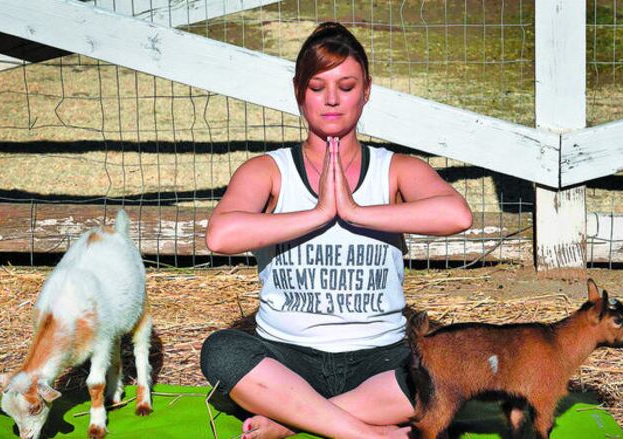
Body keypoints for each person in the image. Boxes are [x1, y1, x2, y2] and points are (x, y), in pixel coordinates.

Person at [200, 22, 472, 439]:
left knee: (451, 368)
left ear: (366, 91)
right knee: (221, 351)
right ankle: (369, 433)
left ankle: (292, 420)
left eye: (346, 86)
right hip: (287, 358)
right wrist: (320, 212)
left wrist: (356, 211)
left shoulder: (394, 169)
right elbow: (220, 236)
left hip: (378, 360)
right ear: (298, 92)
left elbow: (457, 215)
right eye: (317, 86)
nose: (331, 99)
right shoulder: (268, 171)